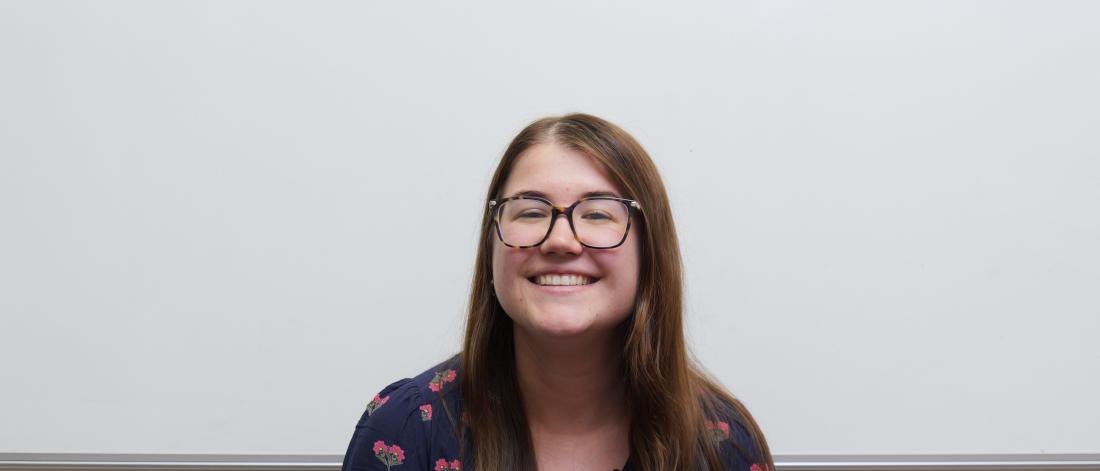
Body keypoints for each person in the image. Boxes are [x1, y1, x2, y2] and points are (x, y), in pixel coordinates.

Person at [341, 113, 773, 471]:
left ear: (649, 251)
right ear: (491, 245)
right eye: (531, 211)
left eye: (598, 214)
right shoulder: (407, 429)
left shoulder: (722, 446)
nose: (561, 241)